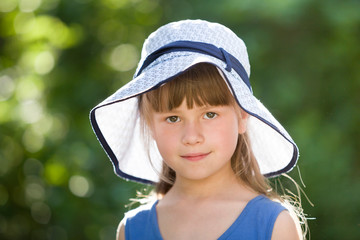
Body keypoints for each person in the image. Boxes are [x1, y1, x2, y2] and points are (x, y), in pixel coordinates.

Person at [90, 19, 306, 239]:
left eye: (210, 115)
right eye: (173, 118)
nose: (192, 137)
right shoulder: (132, 229)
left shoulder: (273, 224)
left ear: (242, 116)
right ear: (149, 124)